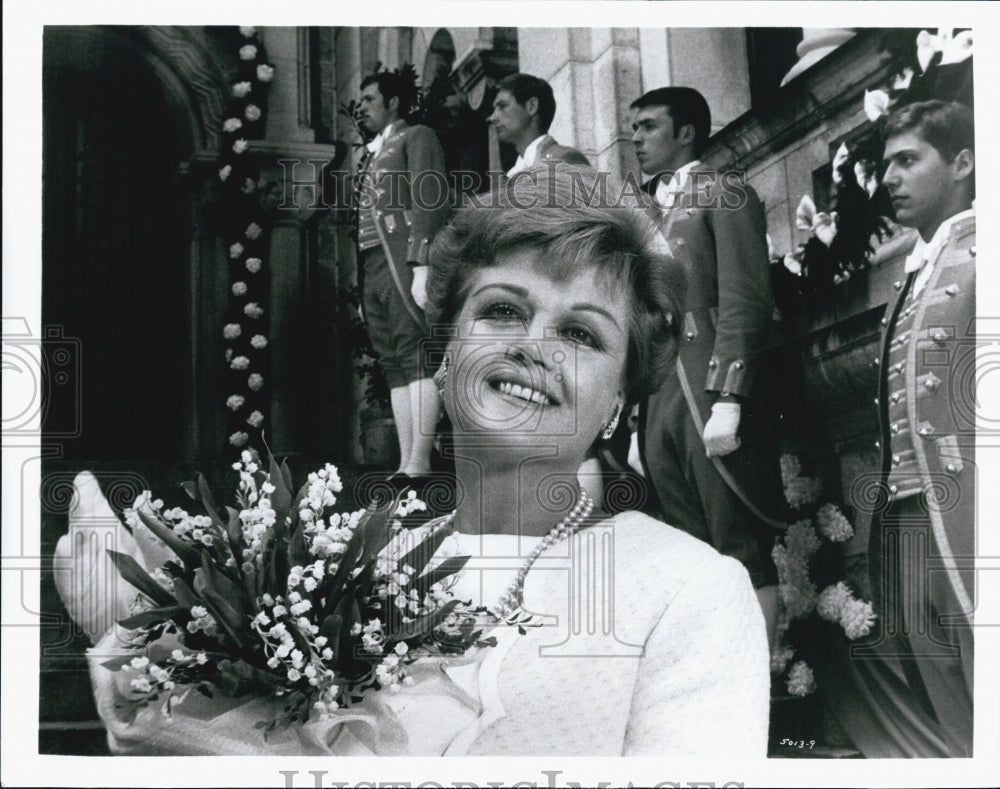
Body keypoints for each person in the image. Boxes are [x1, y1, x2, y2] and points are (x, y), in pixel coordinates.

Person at [58, 166, 770, 756]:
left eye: (582, 334)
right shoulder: (349, 563)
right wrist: (136, 632)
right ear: (445, 354)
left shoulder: (688, 591)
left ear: (617, 401)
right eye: (502, 311)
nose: (534, 347)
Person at [825, 100, 976, 758]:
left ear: (963, 163)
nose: (888, 177)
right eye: (886, 163)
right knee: (940, 684)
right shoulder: (915, 271)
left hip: (971, 510)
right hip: (907, 513)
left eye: (908, 160)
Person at [629, 87, 784, 642]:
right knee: (689, 553)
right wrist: (637, 417)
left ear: (687, 132)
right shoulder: (646, 214)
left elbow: (745, 299)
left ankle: (759, 680)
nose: (636, 137)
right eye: (635, 127)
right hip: (662, 398)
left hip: (707, 389)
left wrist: (730, 397)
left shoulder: (726, 192)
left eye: (649, 125)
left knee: (738, 549)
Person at [355, 72, 449, 481]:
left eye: (369, 99)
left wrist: (422, 264)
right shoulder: (372, 152)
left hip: (402, 259)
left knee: (414, 354)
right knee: (392, 361)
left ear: (393, 102)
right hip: (374, 265)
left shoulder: (417, 136)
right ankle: (406, 461)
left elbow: (430, 199)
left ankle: (420, 461)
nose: (361, 107)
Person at [487, 73, 590, 178]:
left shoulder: (565, 159)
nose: (492, 117)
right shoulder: (512, 175)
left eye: (502, 106)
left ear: (531, 106)